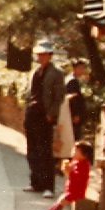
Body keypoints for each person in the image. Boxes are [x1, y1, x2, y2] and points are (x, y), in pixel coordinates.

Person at [24, 40, 66, 198]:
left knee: (45, 151)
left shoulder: (56, 73)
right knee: (32, 149)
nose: (41, 57)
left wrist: (52, 113)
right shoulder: (35, 71)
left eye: (44, 54)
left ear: (50, 55)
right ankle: (35, 182)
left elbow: (59, 96)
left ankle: (48, 185)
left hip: (45, 114)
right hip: (32, 112)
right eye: (39, 54)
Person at [39, 140, 93, 210]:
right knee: (60, 200)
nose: (73, 153)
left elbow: (80, 177)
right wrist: (65, 169)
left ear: (84, 155)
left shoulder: (84, 165)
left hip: (77, 191)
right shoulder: (75, 162)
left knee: (62, 201)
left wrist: (70, 171)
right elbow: (69, 173)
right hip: (70, 189)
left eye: (76, 151)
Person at [66, 58, 89, 139]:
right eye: (80, 68)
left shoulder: (73, 79)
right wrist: (75, 114)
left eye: (83, 68)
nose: (82, 70)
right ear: (74, 69)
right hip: (73, 115)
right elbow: (73, 99)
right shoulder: (72, 81)